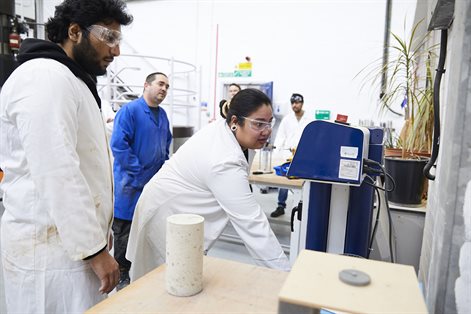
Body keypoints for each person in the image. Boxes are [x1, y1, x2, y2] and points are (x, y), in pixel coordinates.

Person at [0, 0, 132, 312]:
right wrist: (94, 249)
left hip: (67, 247)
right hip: (49, 255)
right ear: (75, 31)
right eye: (109, 38)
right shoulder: (44, 76)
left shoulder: (69, 78)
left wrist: (98, 236)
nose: (116, 51)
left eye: (118, 40)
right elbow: (56, 169)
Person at [126, 88, 290, 281]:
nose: (267, 131)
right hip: (165, 214)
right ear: (235, 122)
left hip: (181, 210)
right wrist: (286, 278)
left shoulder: (230, 131)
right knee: (163, 282)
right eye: (259, 124)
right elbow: (252, 224)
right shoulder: (224, 160)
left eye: (269, 123)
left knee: (180, 276)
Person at [110, 72, 172, 290]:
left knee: (148, 226)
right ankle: (122, 273)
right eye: (160, 84)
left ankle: (141, 267)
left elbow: (166, 144)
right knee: (125, 230)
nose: (164, 89)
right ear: (146, 85)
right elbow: (119, 145)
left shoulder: (162, 115)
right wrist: (138, 174)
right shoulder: (130, 111)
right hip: (130, 184)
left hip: (152, 184)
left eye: (167, 86)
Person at [271, 93, 312, 218]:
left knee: (302, 181)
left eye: (297, 102)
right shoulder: (287, 119)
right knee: (284, 179)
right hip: (288, 153)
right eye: (293, 103)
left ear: (302, 103)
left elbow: (312, 137)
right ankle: (281, 205)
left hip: (303, 155)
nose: (295, 105)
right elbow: (280, 136)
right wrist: (276, 152)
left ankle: (303, 206)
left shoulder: (309, 119)